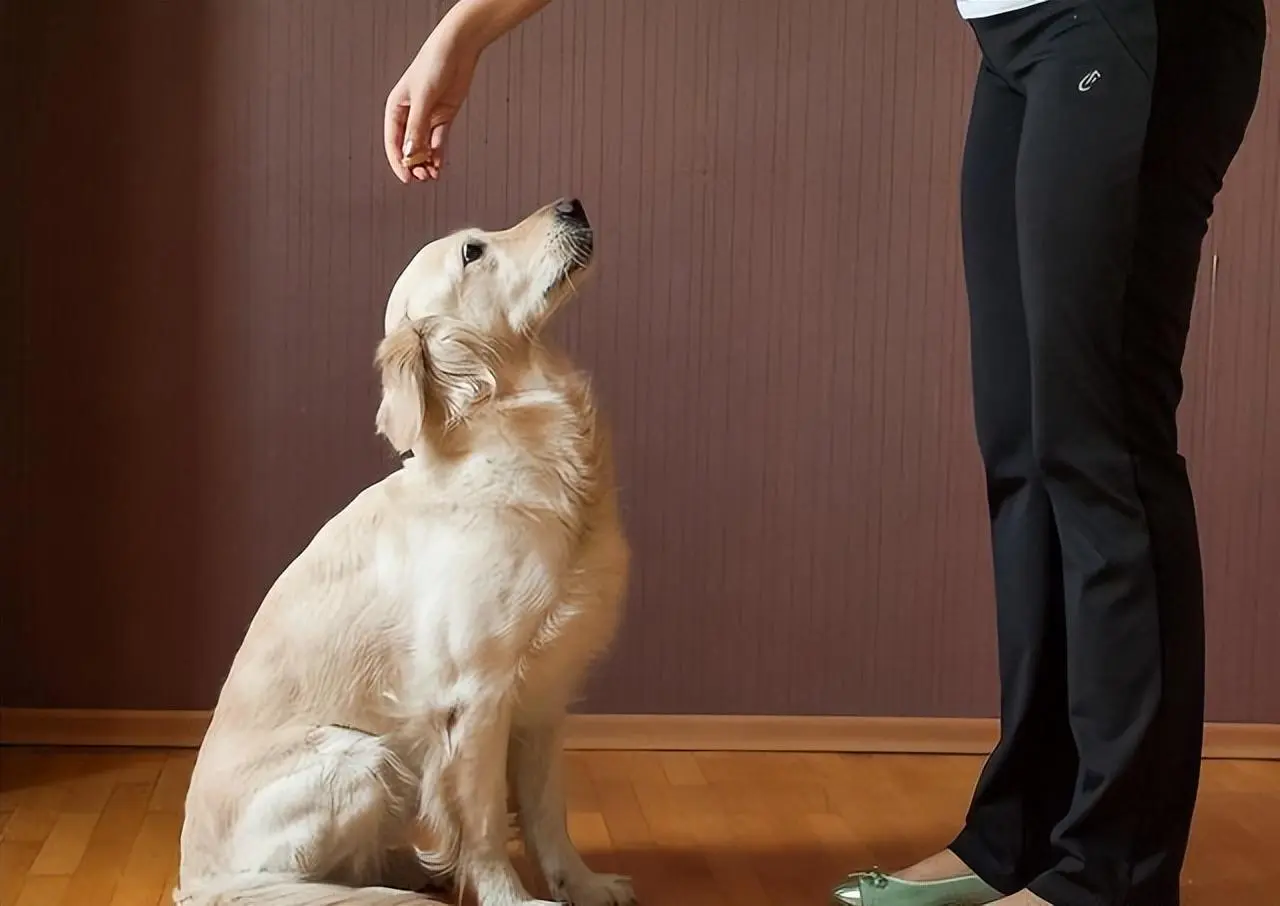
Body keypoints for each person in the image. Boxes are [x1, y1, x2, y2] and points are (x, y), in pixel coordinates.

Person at [384, 1, 1268, 904]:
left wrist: (466, 29)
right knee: (1027, 453)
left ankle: (1113, 874)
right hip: (1020, 33)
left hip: (1128, 19)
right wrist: (467, 27)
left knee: (1099, 447)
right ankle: (1024, 833)